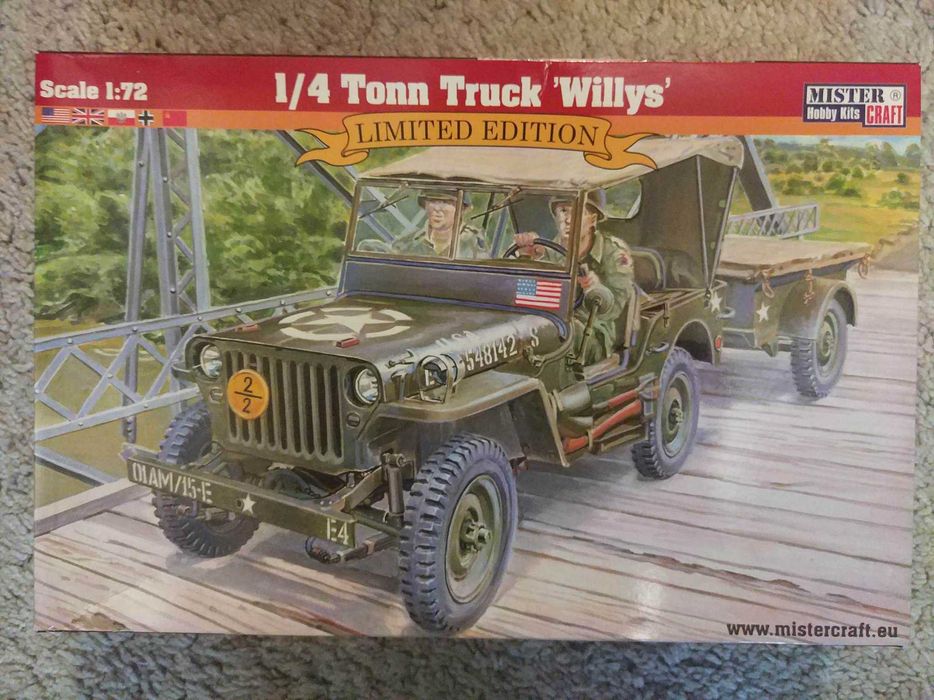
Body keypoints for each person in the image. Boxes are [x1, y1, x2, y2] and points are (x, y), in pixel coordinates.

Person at [513, 192, 635, 363]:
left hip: (592, 332)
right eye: (563, 211)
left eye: (577, 212)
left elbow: (615, 309)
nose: (568, 220)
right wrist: (527, 259)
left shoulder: (613, 253)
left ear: (592, 220)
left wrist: (596, 289)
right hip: (546, 322)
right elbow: (521, 295)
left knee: (556, 334)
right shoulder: (547, 251)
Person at [391, 191, 487, 259]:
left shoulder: (475, 242)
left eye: (445, 202)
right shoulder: (406, 243)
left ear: (462, 208)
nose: (436, 208)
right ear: (425, 204)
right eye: (432, 201)